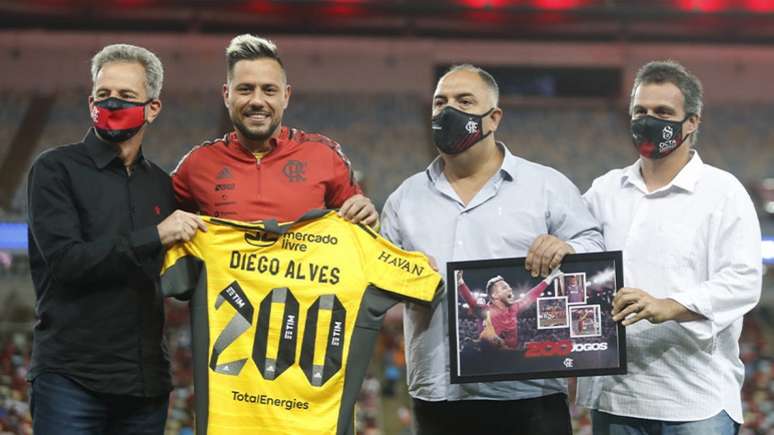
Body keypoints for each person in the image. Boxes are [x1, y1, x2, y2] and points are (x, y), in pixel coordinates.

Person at [380, 64, 604, 435]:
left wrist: (566, 247)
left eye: (464, 101)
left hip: (529, 395)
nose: (448, 111)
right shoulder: (405, 198)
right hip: (439, 397)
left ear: (493, 117)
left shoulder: (545, 185)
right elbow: (379, 279)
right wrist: (401, 276)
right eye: (440, 102)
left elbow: (595, 247)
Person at [26, 44, 205, 434]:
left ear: (153, 108)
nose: (111, 103)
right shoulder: (55, 170)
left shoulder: (161, 185)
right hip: (70, 379)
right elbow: (67, 263)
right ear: (90, 101)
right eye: (103, 95)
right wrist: (154, 236)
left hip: (146, 387)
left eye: (126, 96)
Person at [577, 60, 762, 435]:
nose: (649, 120)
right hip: (616, 396)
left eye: (663, 112)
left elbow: (743, 281)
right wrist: (555, 242)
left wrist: (670, 305)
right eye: (640, 111)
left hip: (696, 398)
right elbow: (575, 253)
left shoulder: (722, 192)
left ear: (692, 121)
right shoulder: (604, 190)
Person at [172, 34, 377, 226]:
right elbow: (157, 224)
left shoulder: (325, 155)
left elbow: (359, 232)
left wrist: (368, 219)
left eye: (269, 90)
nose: (257, 101)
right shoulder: (196, 164)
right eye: (245, 89)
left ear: (286, 96)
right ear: (227, 95)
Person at [458, 268, 563, 350]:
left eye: (509, 287)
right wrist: (461, 282)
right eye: (504, 288)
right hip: (490, 361)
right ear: (494, 295)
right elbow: (471, 301)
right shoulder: (487, 311)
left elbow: (530, 296)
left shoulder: (514, 308)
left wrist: (549, 278)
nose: (510, 289)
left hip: (510, 359)